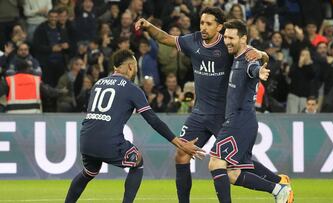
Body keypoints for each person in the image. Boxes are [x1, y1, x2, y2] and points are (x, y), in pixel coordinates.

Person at [135, 7, 269, 203]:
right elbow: (166, 39)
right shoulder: (194, 40)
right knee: (181, 154)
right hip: (199, 114)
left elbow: (256, 57)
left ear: (220, 27)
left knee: (236, 165)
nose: (204, 28)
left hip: (224, 115)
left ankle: (277, 182)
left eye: (209, 24)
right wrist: (148, 27)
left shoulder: (228, 44)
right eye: (202, 23)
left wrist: (261, 54)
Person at [64, 50, 204, 203]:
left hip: (86, 139)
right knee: (137, 161)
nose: (136, 69)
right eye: (136, 65)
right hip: (107, 141)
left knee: (89, 172)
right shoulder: (132, 89)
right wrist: (179, 143)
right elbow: (152, 119)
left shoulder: (98, 83)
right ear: (130, 67)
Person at [208, 19, 294, 203]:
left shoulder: (248, 58)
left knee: (216, 163)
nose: (227, 41)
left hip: (239, 121)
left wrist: (259, 71)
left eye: (232, 37)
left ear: (243, 38)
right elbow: (261, 57)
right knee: (234, 172)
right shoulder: (239, 54)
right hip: (242, 120)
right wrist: (264, 54)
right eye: (226, 37)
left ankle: (278, 190)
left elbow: (253, 68)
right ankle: (279, 183)